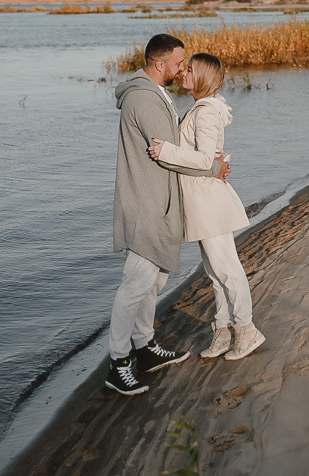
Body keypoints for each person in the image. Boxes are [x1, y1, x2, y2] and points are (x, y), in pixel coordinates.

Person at [106, 34, 231, 396]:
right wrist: (213, 169)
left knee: (154, 281)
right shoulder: (143, 100)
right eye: (179, 63)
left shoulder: (154, 92)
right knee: (135, 284)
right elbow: (168, 153)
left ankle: (144, 348)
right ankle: (118, 363)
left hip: (159, 200)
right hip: (146, 204)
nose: (182, 69)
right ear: (159, 64)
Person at [148, 53, 265, 361]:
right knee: (215, 271)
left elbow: (203, 159)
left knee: (227, 269)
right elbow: (211, 156)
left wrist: (164, 151)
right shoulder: (202, 108)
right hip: (199, 200)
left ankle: (246, 329)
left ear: (202, 77)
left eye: (190, 70)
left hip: (208, 200)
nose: (184, 73)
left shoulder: (206, 112)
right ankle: (223, 330)